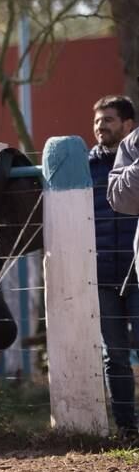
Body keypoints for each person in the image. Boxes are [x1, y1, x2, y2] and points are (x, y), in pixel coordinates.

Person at [96, 95, 139, 438]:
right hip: (103, 275)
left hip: (136, 272)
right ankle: (127, 427)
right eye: (98, 120)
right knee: (115, 355)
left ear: (128, 125)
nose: (100, 127)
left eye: (108, 120)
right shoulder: (85, 165)